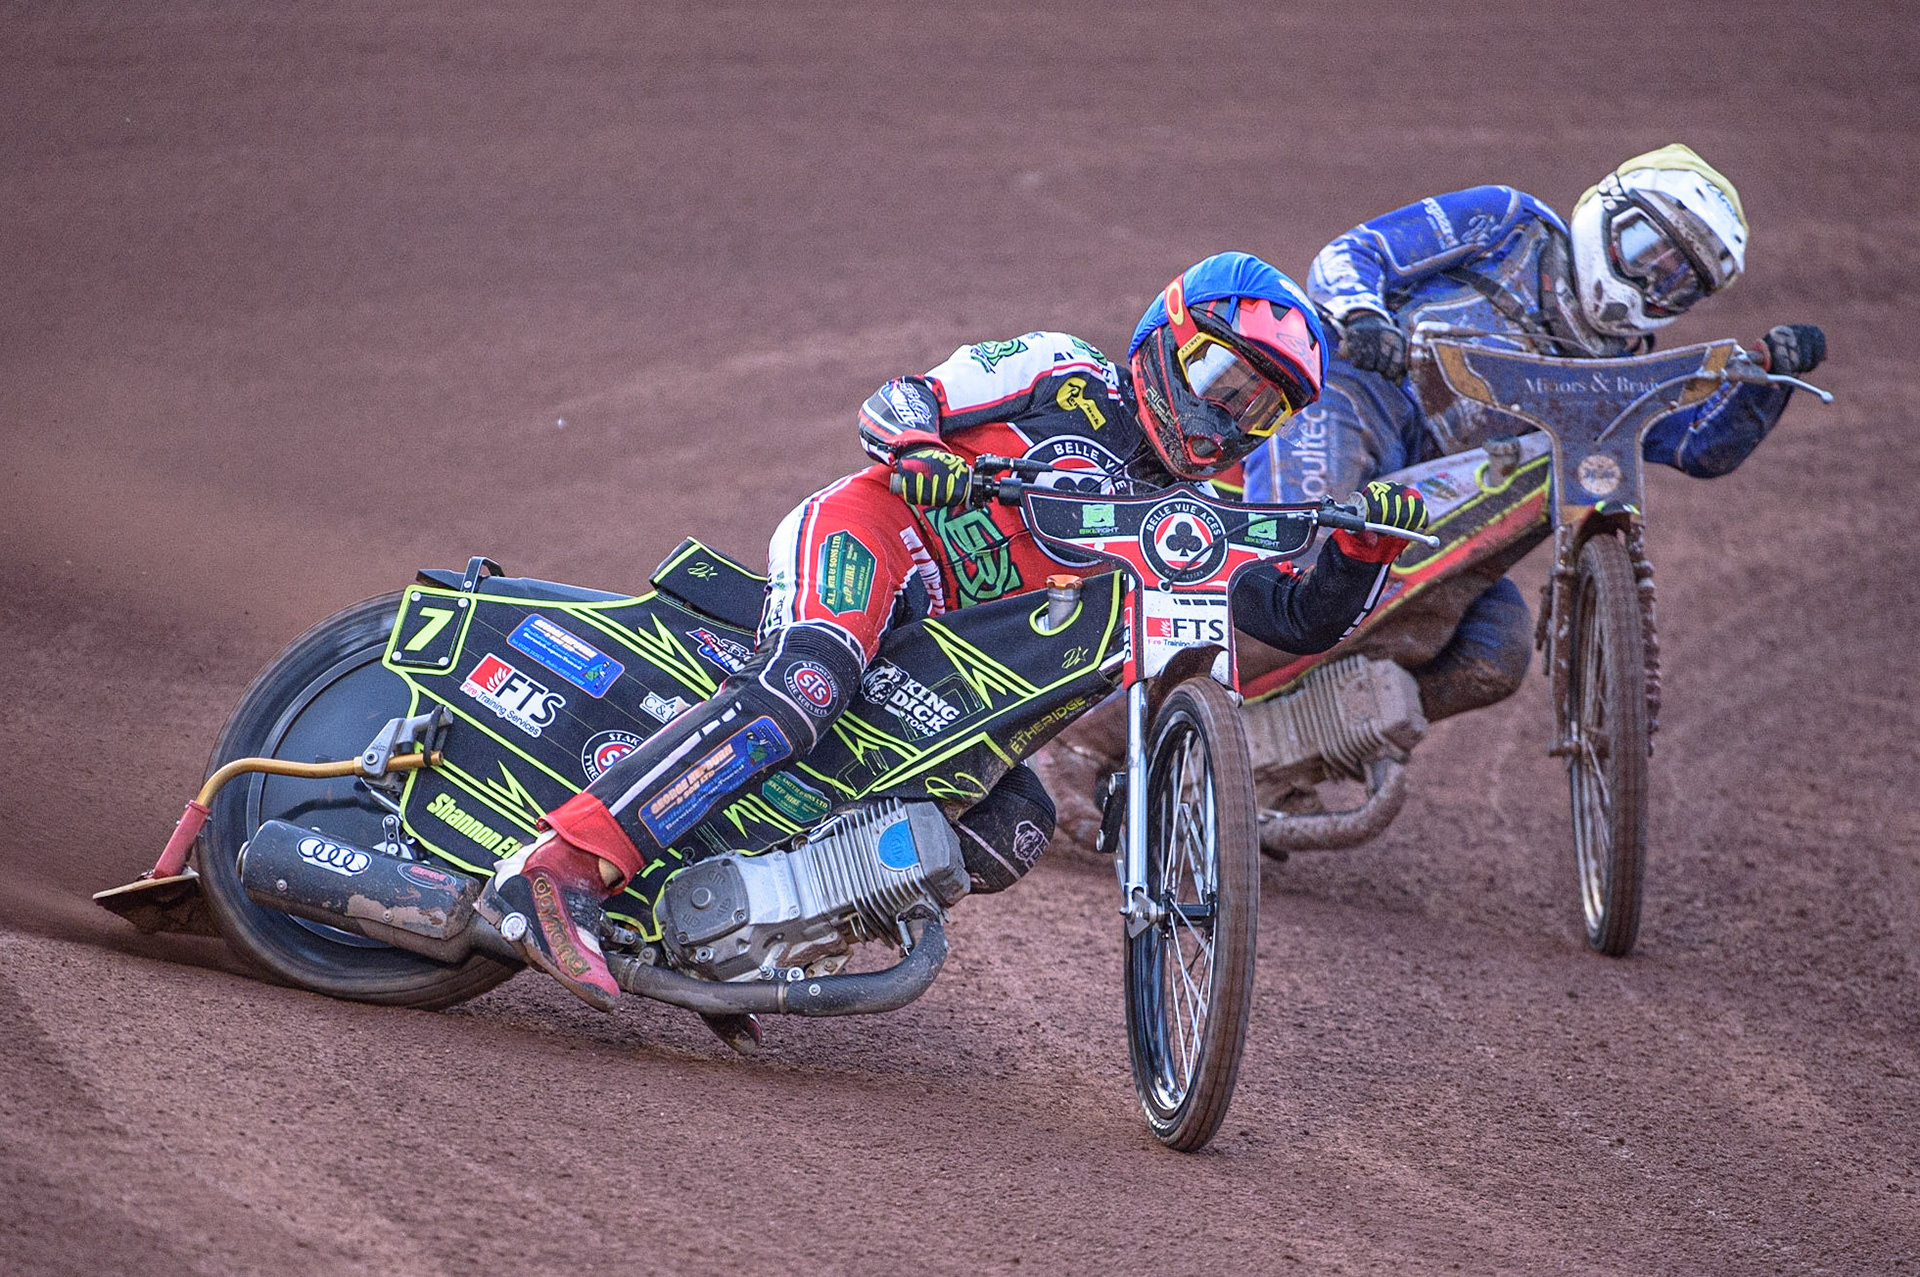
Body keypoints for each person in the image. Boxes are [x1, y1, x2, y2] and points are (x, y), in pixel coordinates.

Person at [477, 252, 1430, 1011]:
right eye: (1219, 376)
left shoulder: (1190, 518)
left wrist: (1360, 548)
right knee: (805, 685)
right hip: (874, 536)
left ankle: (744, 929)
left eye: (1260, 407)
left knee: (1013, 823)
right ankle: (557, 870)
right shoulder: (1062, 371)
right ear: (1164, 336)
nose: (1227, 416)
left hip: (944, 661)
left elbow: (1300, 618)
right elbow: (898, 403)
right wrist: (921, 451)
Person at [1244, 144, 1828, 721]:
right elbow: (1355, 252)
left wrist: (1767, 379)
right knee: (1296, 553)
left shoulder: (1620, 373)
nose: (1651, 282)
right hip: (1363, 397)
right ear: (1608, 211)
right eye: (1647, 250)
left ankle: (1325, 739)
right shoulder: (1506, 223)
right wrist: (1365, 316)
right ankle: (1204, 657)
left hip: (1451, 499)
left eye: (1677, 283)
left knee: (1496, 654)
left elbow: (1697, 444)